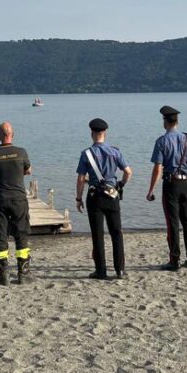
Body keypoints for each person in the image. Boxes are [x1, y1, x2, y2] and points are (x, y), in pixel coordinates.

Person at [146, 106, 187, 271]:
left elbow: (158, 168)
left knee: (172, 223)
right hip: (186, 184)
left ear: (165, 122)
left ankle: (174, 261)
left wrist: (151, 190)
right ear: (177, 121)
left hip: (171, 184)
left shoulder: (162, 142)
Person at [76, 118, 133, 280]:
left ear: (92, 134)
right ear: (105, 134)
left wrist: (78, 198)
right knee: (116, 232)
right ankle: (120, 270)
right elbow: (128, 172)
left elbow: (81, 179)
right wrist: (120, 184)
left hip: (95, 197)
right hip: (112, 195)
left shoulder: (86, 154)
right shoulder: (115, 152)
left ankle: (101, 271)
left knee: (97, 234)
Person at [0, 122, 33, 285]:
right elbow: (28, 170)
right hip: (18, 198)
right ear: (12, 134)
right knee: (21, 234)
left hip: (0, 199)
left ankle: (2, 274)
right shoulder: (21, 152)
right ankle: (23, 273)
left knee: (0, 235)